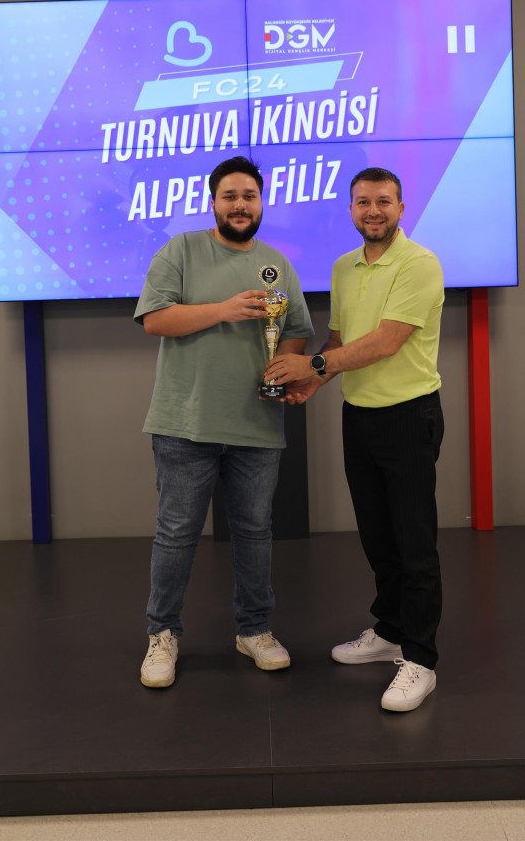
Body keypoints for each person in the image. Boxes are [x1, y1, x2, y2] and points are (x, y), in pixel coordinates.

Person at [264, 167, 445, 713]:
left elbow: (386, 342)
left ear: (401, 208)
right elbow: (341, 340)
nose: (373, 211)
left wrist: (313, 365)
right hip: (359, 416)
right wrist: (312, 383)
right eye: (363, 202)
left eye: (383, 201)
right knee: (377, 537)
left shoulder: (419, 264)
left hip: (409, 416)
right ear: (350, 210)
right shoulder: (344, 267)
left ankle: (420, 658)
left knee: (414, 543)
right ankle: (390, 631)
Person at [134, 155, 314, 689]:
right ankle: (162, 633)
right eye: (230, 196)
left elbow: (296, 331)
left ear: (261, 203)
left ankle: (254, 629)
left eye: (249, 196)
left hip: (256, 424)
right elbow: (154, 319)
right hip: (184, 422)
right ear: (213, 201)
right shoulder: (181, 250)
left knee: (255, 532)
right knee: (176, 534)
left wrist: (282, 370)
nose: (240, 205)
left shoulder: (277, 264)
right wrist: (224, 308)